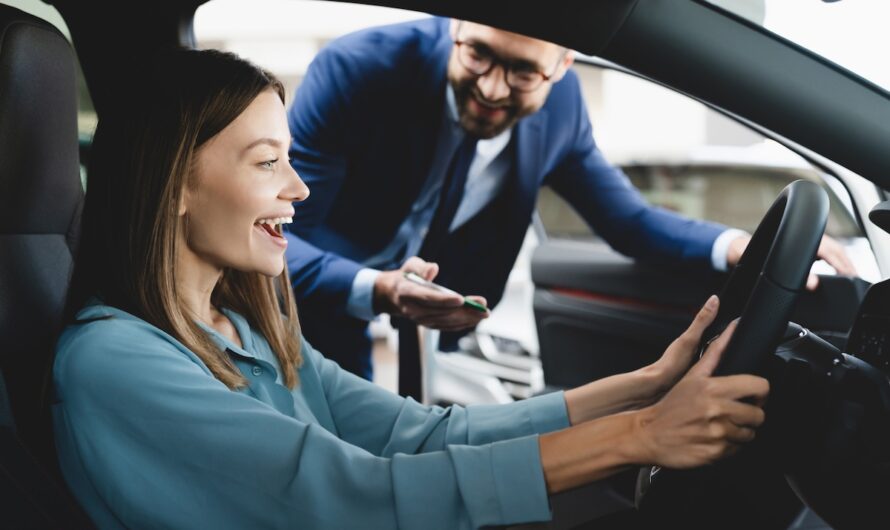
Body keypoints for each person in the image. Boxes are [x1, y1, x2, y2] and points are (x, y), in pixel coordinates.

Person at [53, 48, 769, 529]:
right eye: (267, 162)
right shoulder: (113, 363)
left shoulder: (247, 324)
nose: (299, 190)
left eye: (290, 160)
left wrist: (644, 386)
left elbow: (419, 436)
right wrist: (639, 436)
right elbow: (352, 496)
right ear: (174, 181)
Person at [284, 17, 856, 384]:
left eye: (523, 72)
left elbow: (627, 220)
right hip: (303, 299)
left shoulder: (562, 111)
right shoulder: (360, 68)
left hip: (429, 309)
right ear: (455, 25)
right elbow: (284, 231)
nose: (490, 88)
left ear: (563, 67)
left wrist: (740, 246)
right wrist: (372, 288)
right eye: (478, 54)